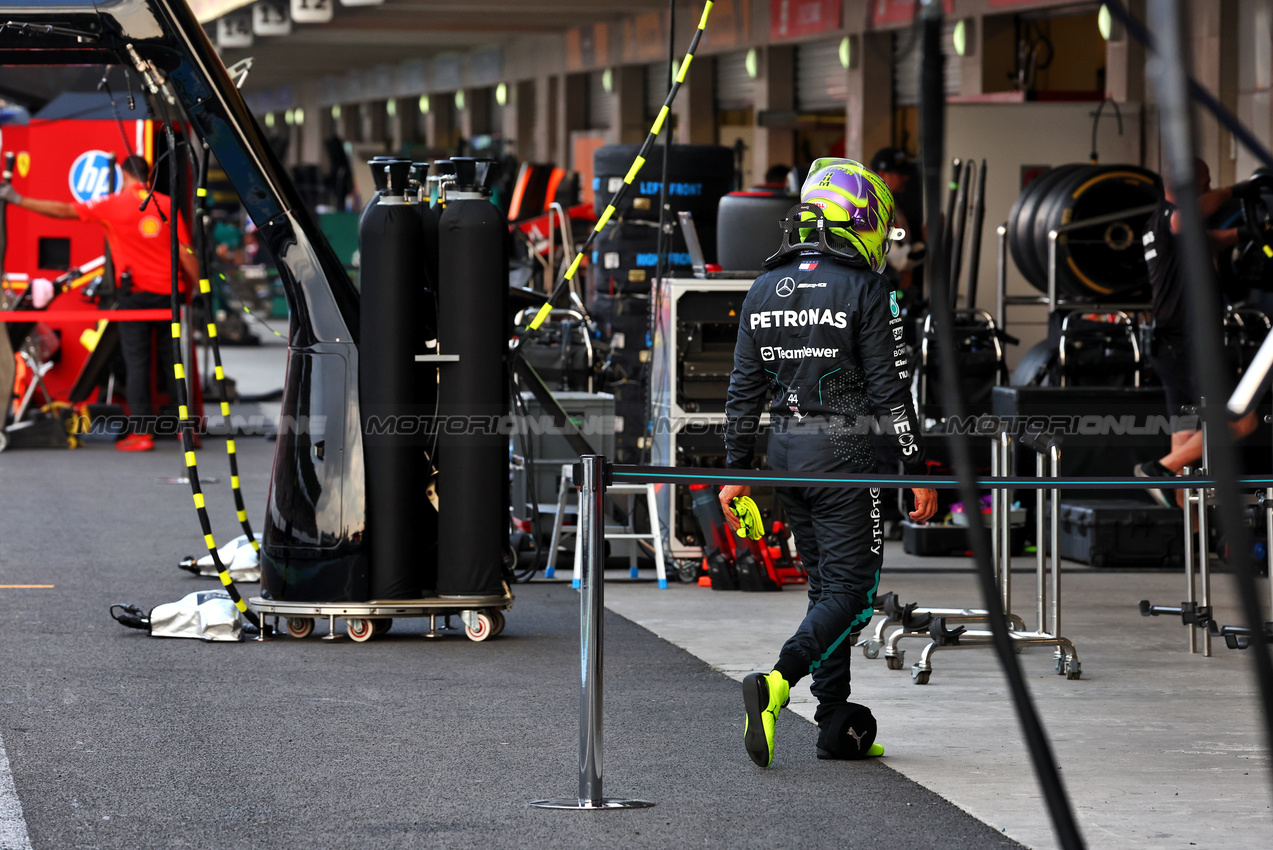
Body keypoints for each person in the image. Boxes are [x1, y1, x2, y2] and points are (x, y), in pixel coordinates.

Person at [720, 158, 938, 768]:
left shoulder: (762, 286)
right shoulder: (869, 289)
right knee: (854, 594)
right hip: (846, 459)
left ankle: (833, 719)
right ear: (859, 220)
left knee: (826, 592)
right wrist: (915, 467)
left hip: (787, 457)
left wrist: (736, 470)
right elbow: (892, 391)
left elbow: (742, 392)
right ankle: (776, 682)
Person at [0, 154, 197, 451]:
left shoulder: (113, 205)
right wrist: (194, 290)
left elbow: (64, 210)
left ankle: (142, 435)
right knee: (174, 363)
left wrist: (17, 199)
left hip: (134, 297)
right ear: (148, 174)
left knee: (138, 364)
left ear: (123, 173)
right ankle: (187, 432)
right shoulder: (165, 204)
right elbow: (186, 253)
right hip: (170, 296)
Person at [1134, 158, 1262, 506]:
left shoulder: (1158, 223)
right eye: (1205, 183)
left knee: (1187, 448)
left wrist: (1247, 233)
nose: (1208, 189)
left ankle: (1192, 541)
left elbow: (1212, 241)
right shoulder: (1172, 218)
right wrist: (1234, 191)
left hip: (1168, 347)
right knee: (1242, 420)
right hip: (1187, 344)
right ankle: (1156, 468)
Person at [869, 147, 926, 297]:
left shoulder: (892, 206)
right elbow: (900, 259)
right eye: (900, 174)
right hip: (882, 292)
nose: (905, 178)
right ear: (882, 174)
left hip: (894, 290)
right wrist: (929, 243)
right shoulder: (874, 209)